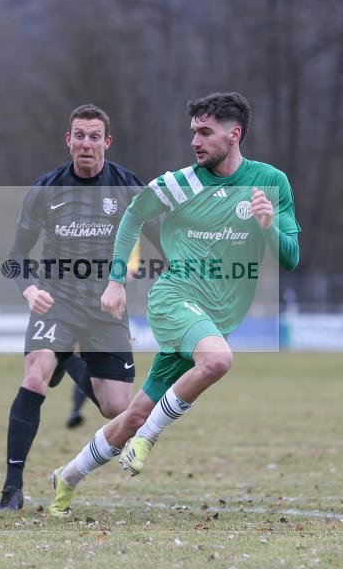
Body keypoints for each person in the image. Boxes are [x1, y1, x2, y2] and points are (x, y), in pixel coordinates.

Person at [48, 92, 301, 517]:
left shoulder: (270, 183)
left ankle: (67, 477)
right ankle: (150, 436)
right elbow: (132, 216)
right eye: (193, 133)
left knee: (132, 415)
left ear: (234, 134)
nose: (195, 141)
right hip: (175, 300)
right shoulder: (180, 183)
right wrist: (115, 282)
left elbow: (290, 257)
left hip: (215, 317)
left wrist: (268, 225)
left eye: (205, 132)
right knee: (218, 361)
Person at [0, 104, 161, 511]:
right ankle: (11, 488)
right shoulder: (46, 189)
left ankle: (69, 359)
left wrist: (182, 278)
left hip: (106, 307)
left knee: (117, 410)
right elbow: (15, 255)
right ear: (68, 140)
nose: (86, 144)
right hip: (57, 300)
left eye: (94, 137)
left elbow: (164, 238)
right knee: (35, 376)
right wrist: (28, 290)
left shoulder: (127, 187)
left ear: (107, 142)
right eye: (79, 136)